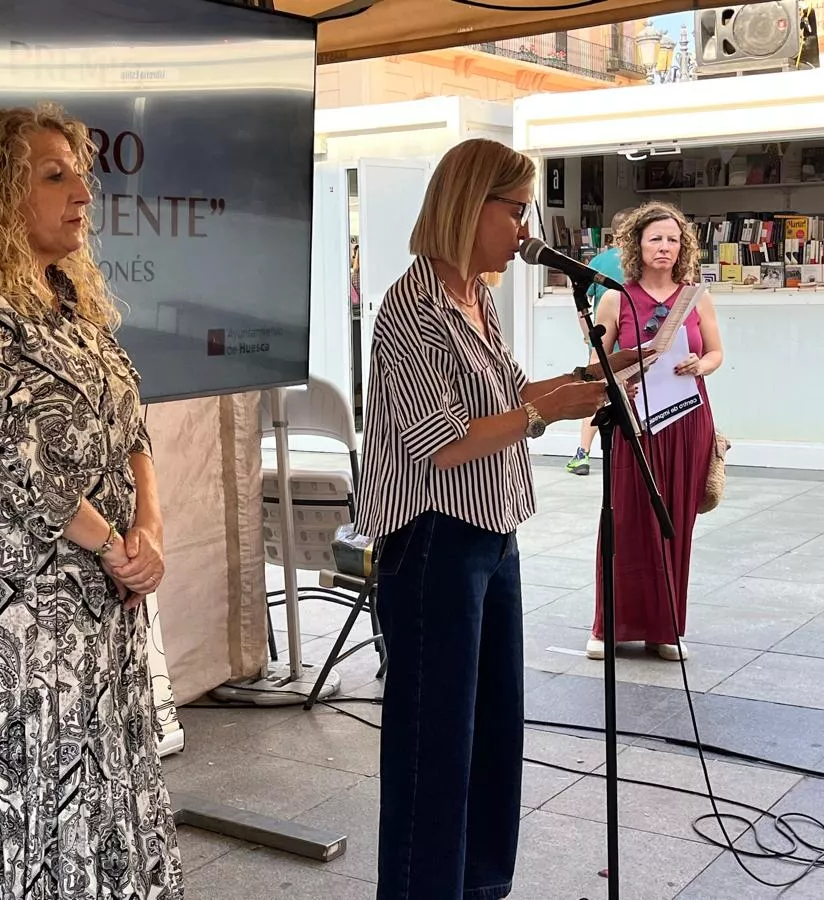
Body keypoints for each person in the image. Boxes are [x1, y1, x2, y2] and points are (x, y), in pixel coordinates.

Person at [354, 138, 654, 900]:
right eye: (515, 210)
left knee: (494, 734)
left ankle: (481, 888)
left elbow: (513, 393)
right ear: (468, 205)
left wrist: (597, 374)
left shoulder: (475, 296)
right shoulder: (410, 306)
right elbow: (445, 443)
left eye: (528, 212)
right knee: (435, 747)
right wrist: (539, 411)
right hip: (432, 542)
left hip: (493, 536)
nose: (526, 230)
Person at [0, 104, 184, 900]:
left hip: (108, 598)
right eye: (53, 175)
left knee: (106, 788)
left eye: (82, 176)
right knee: (33, 793)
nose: (81, 194)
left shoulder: (70, 297)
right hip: (21, 611)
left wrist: (149, 531)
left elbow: (133, 427)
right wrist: (111, 545)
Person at [586, 201, 724, 662]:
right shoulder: (614, 298)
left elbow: (716, 353)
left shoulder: (696, 297)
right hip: (635, 422)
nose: (664, 247)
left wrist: (699, 364)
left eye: (672, 239)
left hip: (688, 418)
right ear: (637, 244)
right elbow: (595, 364)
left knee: (675, 525)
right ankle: (609, 627)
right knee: (624, 520)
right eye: (655, 239)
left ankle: (664, 628)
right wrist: (620, 374)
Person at [567, 208, 632, 476]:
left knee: (594, 395)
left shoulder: (599, 261)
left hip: (603, 340)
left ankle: (582, 454)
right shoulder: (641, 261)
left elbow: (582, 302)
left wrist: (589, 337)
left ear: (613, 232)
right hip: (630, 339)